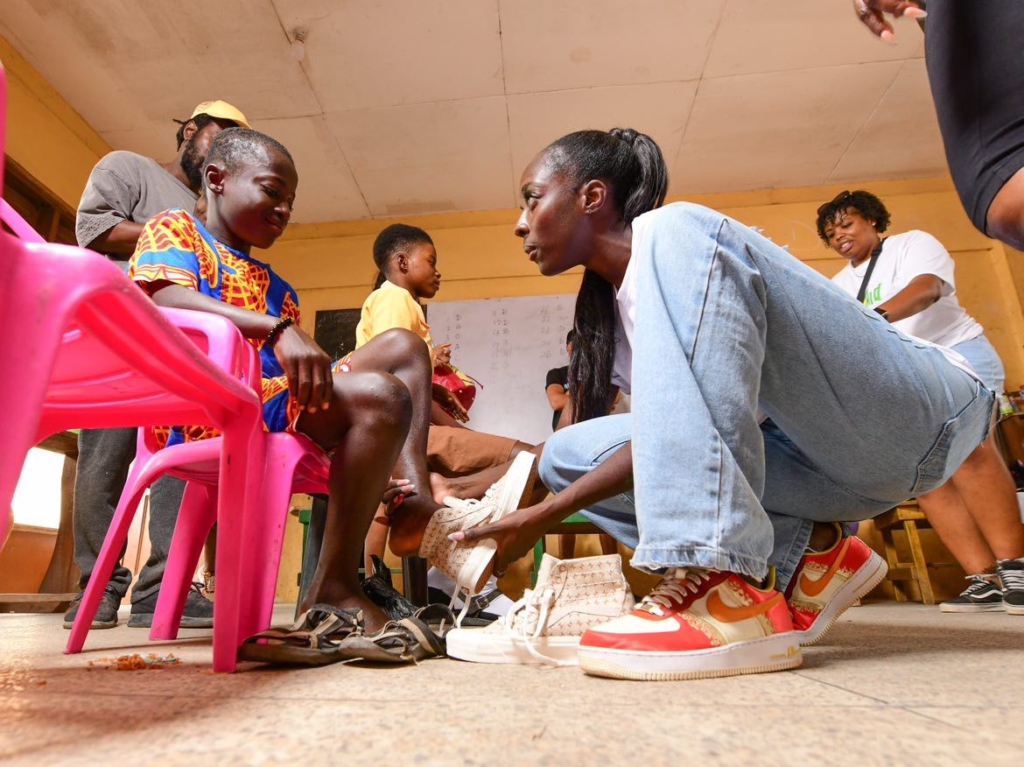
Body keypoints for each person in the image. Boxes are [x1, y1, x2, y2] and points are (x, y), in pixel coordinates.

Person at [448, 128, 994, 681]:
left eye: (532, 198)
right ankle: (810, 557)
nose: (520, 222)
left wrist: (544, 515)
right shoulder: (611, 327)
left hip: (922, 418)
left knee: (674, 224)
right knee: (567, 454)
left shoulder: (679, 243)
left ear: (591, 197)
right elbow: (672, 444)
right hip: (833, 471)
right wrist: (497, 488)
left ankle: (726, 592)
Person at [128, 127, 532, 660]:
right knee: (381, 395)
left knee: (406, 348)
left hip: (270, 403)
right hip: (206, 405)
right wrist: (274, 328)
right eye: (273, 191)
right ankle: (336, 586)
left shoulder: (277, 288)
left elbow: (302, 389)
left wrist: (368, 461)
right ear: (217, 179)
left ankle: (415, 503)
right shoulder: (175, 228)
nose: (284, 209)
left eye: (291, 202)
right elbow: (161, 299)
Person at [66, 100, 249, 630]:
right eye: (218, 138)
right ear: (191, 131)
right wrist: (181, 232)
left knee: (180, 467)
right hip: (118, 339)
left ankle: (162, 591)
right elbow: (93, 230)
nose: (224, 153)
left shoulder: (213, 206)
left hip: (184, 353)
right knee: (104, 463)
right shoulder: (129, 167)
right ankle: (97, 588)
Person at [819, 190, 1024, 613]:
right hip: (907, 377)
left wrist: (870, 322)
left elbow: (927, 289)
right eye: (830, 232)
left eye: (847, 224)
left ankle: (1017, 568)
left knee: (969, 451)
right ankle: (982, 579)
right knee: (927, 474)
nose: (839, 235)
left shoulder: (912, 243)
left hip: (956, 353)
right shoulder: (839, 285)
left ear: (873, 221)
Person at [356, 223, 529, 618]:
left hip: (400, 434)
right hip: (401, 434)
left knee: (411, 489)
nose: (438, 271)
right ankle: (457, 577)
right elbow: (394, 377)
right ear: (402, 262)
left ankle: (443, 577)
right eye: (430, 261)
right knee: (528, 459)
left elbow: (405, 382)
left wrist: (435, 383)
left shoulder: (400, 304)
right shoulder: (397, 298)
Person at [545, 331, 574, 431]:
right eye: (573, 342)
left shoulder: (598, 374)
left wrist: (567, 395)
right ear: (567, 347)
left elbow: (613, 399)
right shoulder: (556, 373)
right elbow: (556, 402)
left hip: (593, 434)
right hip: (563, 434)